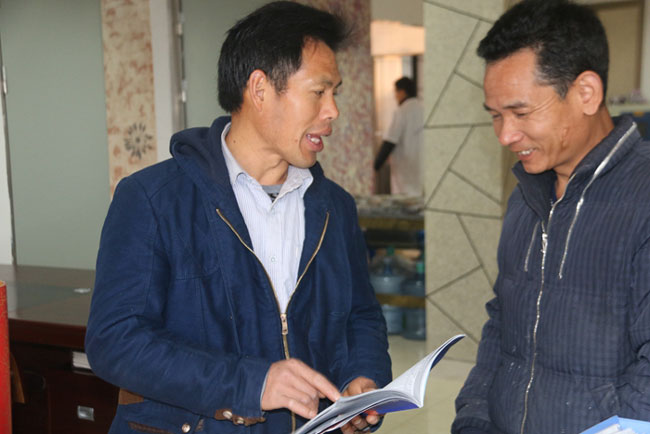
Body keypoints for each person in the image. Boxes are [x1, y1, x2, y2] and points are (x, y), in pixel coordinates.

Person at [84, 2, 392, 434]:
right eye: (319, 92)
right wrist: (251, 383)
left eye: (335, 93)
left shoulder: (333, 207)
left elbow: (361, 315)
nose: (333, 111)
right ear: (260, 88)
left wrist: (363, 376)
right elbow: (115, 340)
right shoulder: (154, 199)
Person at [452, 1, 650, 433]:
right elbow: (502, 323)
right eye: (496, 116)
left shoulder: (642, 197)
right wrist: (473, 419)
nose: (506, 135)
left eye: (521, 113)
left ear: (586, 93)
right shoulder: (527, 194)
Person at [373, 76, 424, 196]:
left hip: (405, 172)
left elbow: (390, 142)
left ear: (402, 92)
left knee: (404, 200)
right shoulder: (423, 109)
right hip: (421, 171)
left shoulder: (402, 111)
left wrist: (376, 165)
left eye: (395, 92)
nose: (395, 96)